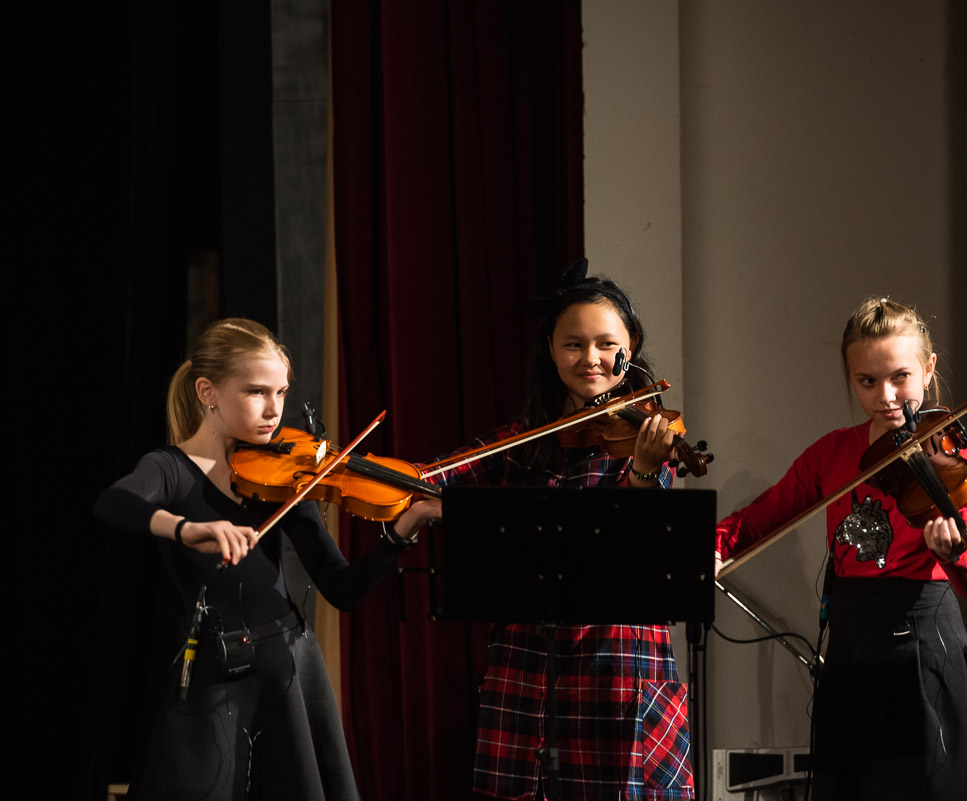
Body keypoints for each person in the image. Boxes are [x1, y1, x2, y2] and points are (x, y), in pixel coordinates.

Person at [94, 318, 441, 801]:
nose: (274, 410)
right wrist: (186, 528)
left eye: (281, 393)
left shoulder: (285, 475)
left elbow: (342, 590)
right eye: (257, 392)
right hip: (218, 668)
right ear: (207, 391)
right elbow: (114, 503)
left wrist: (403, 528)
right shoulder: (169, 469)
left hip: (289, 665)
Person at [714, 298, 967, 801]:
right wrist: (713, 545)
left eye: (900, 377)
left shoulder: (956, 456)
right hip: (852, 651)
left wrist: (953, 552)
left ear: (929, 369)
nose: (886, 396)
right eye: (867, 382)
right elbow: (762, 516)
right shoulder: (832, 453)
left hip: (924, 650)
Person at [428, 260, 694, 801]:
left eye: (605, 344)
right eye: (573, 344)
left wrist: (643, 471)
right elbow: (431, 479)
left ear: (632, 347)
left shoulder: (651, 436)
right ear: (550, 349)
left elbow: (648, 549)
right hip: (529, 667)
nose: (590, 359)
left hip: (619, 666)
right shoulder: (520, 442)